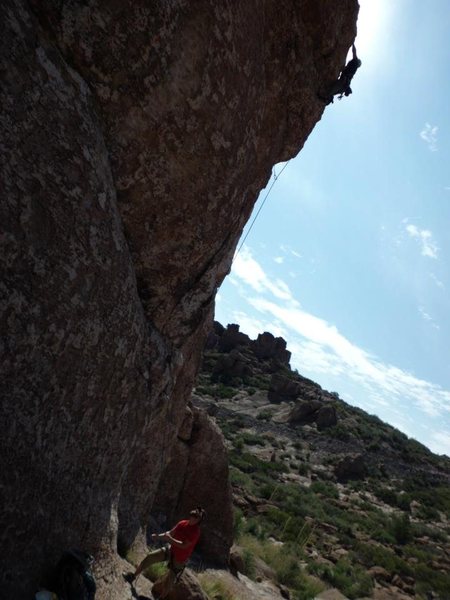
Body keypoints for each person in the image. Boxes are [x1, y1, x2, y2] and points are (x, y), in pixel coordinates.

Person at [124, 507, 206, 597]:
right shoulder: (183, 523)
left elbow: (184, 545)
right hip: (171, 550)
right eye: (192, 516)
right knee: (151, 556)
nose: (193, 518)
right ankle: (133, 576)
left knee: (169, 581)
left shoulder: (195, 532)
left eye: (196, 517)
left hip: (180, 558)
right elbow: (170, 533)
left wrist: (170, 539)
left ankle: (161, 598)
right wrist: (158, 536)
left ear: (199, 520)